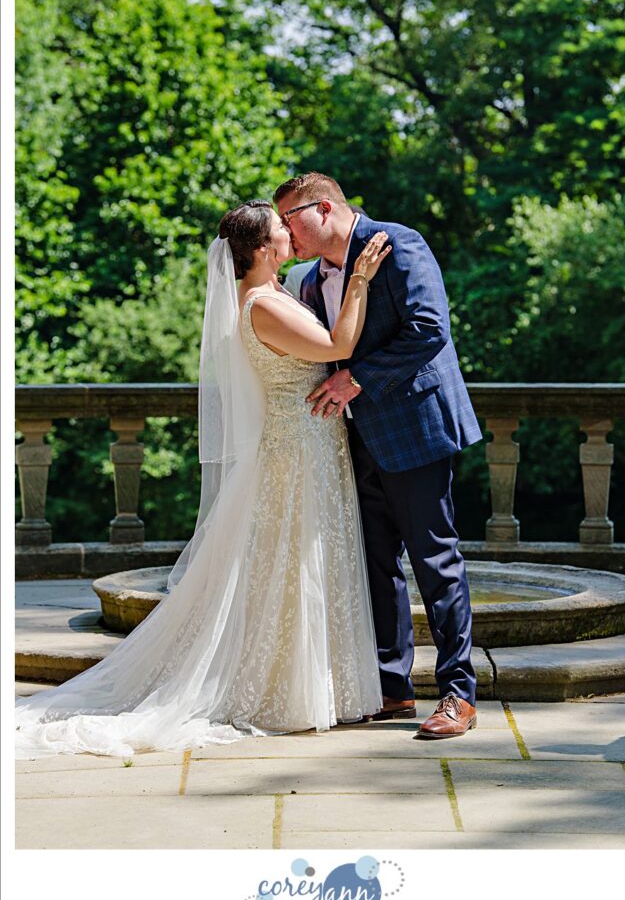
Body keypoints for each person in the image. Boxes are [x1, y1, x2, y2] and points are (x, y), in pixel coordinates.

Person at [15, 201, 391, 759]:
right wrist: (360, 278)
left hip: (311, 443)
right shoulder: (263, 304)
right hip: (294, 451)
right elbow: (339, 347)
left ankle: (315, 688)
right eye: (280, 230)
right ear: (262, 250)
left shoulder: (278, 292)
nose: (290, 233)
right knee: (291, 565)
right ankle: (283, 693)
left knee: (303, 564)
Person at [274, 173, 483, 740]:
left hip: (415, 431)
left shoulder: (399, 243)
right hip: (349, 439)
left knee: (435, 562)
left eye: (289, 219)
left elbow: (429, 330)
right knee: (375, 565)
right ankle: (392, 689)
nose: (286, 233)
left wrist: (356, 378)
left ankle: (458, 695)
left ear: (322, 209)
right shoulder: (308, 279)